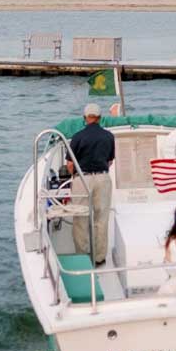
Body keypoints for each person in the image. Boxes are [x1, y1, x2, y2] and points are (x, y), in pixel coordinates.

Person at [66, 103, 115, 266]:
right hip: (102, 178)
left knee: (80, 218)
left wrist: (76, 177)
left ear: (85, 118)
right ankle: (99, 257)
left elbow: (70, 165)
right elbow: (110, 161)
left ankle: (82, 257)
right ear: (100, 118)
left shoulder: (78, 137)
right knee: (101, 219)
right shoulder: (109, 136)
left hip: (82, 179)